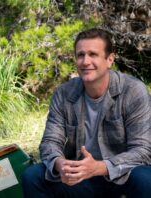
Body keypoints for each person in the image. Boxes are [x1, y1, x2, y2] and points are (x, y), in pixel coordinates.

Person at [22, 28, 151, 198]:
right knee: (32, 176)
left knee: (145, 179)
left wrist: (100, 167)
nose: (85, 61)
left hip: (123, 175)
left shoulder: (133, 91)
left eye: (93, 54)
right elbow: (50, 142)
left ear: (109, 59)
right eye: (80, 55)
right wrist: (61, 164)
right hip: (81, 177)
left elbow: (143, 150)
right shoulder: (64, 94)